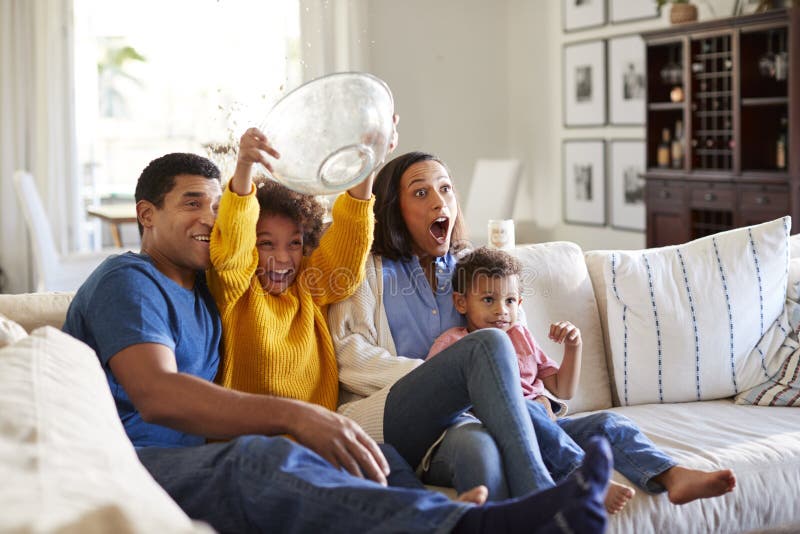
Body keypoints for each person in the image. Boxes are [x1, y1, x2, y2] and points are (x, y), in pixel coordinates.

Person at [62, 150, 612, 533]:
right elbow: (158, 393)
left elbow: (334, 261)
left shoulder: (209, 292)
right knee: (262, 456)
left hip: (197, 451)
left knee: (376, 456)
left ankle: (453, 515)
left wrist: (360, 178)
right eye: (191, 204)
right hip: (129, 459)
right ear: (145, 215)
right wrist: (296, 417)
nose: (210, 220)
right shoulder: (129, 281)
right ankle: (478, 522)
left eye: (214, 206)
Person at [426, 246, 738, 513]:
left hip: (550, 430)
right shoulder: (454, 344)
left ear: (519, 304)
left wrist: (573, 347)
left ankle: (673, 475)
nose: (501, 311)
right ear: (461, 302)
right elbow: (441, 400)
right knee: (531, 409)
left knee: (608, 423)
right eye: (488, 300)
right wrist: (528, 407)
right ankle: (587, 480)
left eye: (509, 301)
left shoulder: (521, 337)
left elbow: (563, 389)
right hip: (504, 434)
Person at [329, 151, 558, 501]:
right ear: (394, 209)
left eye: (446, 189)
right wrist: (448, 381)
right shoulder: (365, 268)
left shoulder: (474, 266)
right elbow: (350, 357)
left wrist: (536, 394)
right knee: (489, 344)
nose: (440, 202)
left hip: (462, 424)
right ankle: (548, 498)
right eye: (421, 193)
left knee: (480, 451)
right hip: (389, 416)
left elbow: (518, 343)